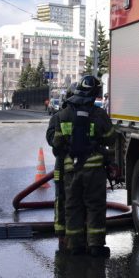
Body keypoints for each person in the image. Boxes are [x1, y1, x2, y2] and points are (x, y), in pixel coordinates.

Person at [46, 76, 114, 257]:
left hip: (70, 170)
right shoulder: (99, 114)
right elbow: (110, 137)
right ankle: (96, 246)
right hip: (94, 169)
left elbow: (54, 142)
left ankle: (75, 246)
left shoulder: (61, 115)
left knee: (72, 207)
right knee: (95, 207)